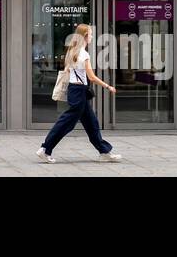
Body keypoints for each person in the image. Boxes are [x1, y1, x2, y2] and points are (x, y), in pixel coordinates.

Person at [37, 24, 121, 163]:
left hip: (74, 90)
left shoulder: (72, 51)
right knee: (66, 123)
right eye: (91, 34)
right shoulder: (84, 54)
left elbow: (69, 70)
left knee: (91, 123)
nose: (92, 36)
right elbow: (92, 77)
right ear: (85, 36)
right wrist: (108, 86)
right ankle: (45, 149)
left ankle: (104, 151)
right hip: (79, 92)